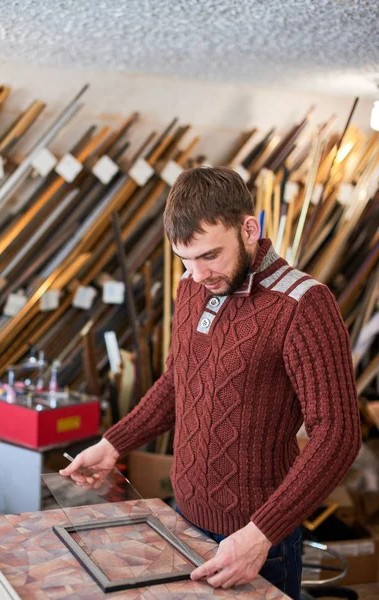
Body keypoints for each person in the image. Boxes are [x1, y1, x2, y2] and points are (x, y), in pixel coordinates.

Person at [60, 167, 361, 599]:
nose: (197, 273)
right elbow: (179, 383)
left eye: (209, 255)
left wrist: (260, 534)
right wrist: (113, 444)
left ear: (249, 228)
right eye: (184, 258)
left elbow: (338, 434)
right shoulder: (191, 287)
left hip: (259, 541)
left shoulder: (303, 304)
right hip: (185, 518)